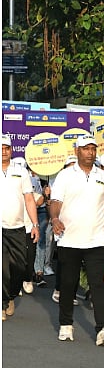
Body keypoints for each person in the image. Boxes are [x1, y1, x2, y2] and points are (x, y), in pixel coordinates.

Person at [48, 135, 104, 345]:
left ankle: (102, 329)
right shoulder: (65, 175)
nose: (90, 152)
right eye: (86, 149)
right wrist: (54, 218)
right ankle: (65, 324)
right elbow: (55, 201)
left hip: (96, 240)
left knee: (97, 284)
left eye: (93, 149)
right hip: (69, 239)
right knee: (68, 284)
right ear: (77, 150)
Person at [2, 134, 40, 320]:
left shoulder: (21, 172)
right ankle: (2, 303)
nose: (3, 151)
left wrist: (35, 224)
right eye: (1, 148)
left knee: (19, 268)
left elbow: (29, 199)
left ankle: (10, 296)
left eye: (7, 148)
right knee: (3, 268)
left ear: (11, 150)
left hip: (18, 228)